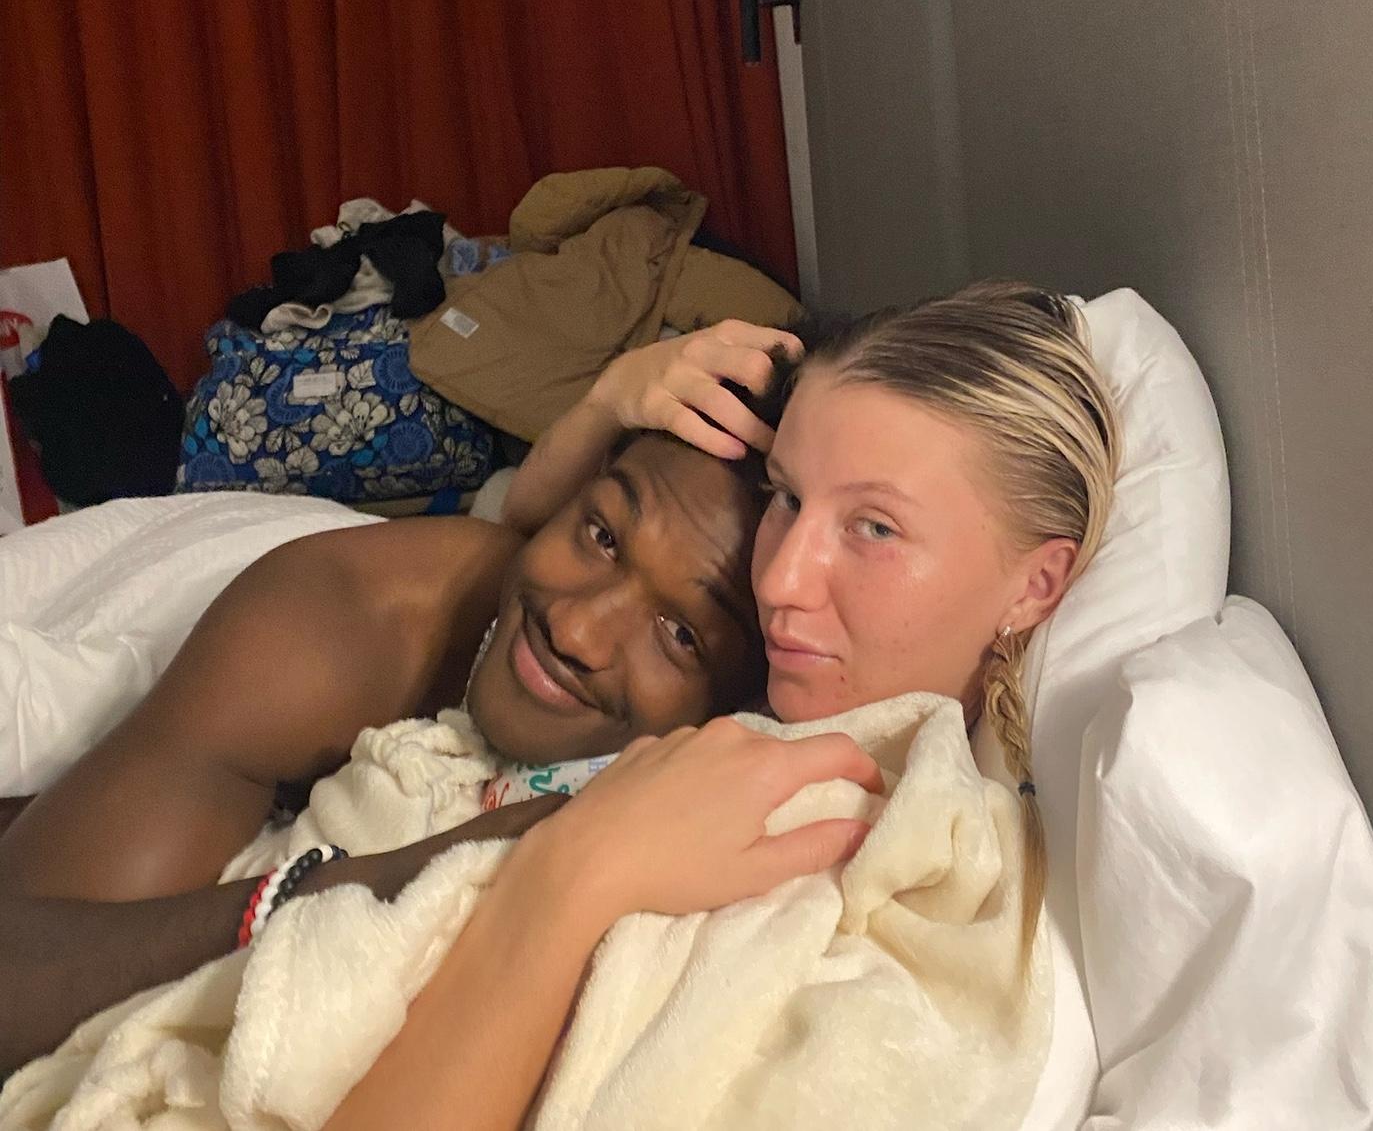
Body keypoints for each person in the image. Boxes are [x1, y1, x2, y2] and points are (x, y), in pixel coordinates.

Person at [325, 278, 1121, 1131]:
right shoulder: (752, 688)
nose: (777, 581)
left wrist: (576, 869)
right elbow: (525, 529)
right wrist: (607, 401)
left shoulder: (924, 881)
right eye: (787, 498)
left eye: (874, 528)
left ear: (1035, 586)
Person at [0, 319, 800, 1076]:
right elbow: (16, 970)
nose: (578, 630)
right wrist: (388, 877)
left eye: (681, 635)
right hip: (170, 573)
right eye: (601, 535)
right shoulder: (330, 628)